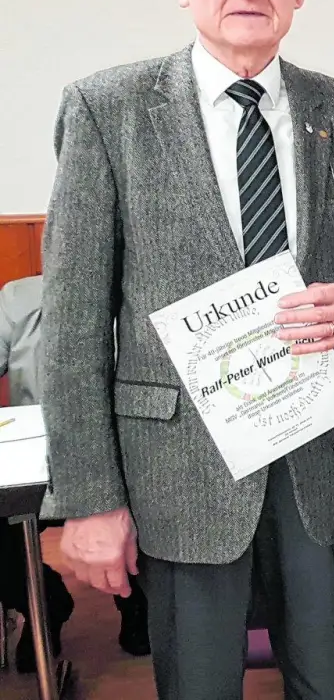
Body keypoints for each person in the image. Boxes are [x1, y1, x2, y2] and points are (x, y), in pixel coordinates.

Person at [38, 0, 334, 700]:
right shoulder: (109, 110)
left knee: (328, 683)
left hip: (316, 456)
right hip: (179, 468)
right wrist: (89, 500)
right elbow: (71, 323)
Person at [0, 274, 151, 674]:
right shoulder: (19, 296)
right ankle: (41, 600)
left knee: (160, 489)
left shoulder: (145, 286)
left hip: (128, 457)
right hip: (37, 458)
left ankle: (137, 601)